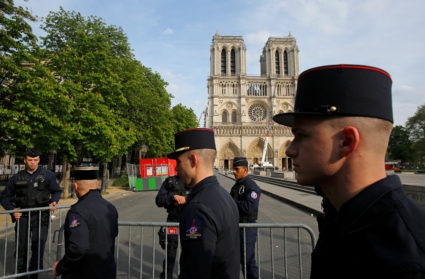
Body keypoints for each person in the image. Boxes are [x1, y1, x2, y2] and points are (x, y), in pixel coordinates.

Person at [273, 64, 425, 278]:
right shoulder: (341, 218)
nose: (289, 150)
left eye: (302, 135)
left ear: (346, 142)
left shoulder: (409, 260)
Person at [167, 128, 240, 279]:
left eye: (179, 162)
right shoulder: (226, 198)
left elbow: (195, 272)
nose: (176, 168)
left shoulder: (197, 208)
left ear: (193, 160)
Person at [0, 148, 62, 278]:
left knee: (38, 247)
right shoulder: (16, 178)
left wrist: (54, 202)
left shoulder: (48, 175)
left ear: (39, 160)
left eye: (35, 160)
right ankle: (21, 275)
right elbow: (4, 197)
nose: (33, 162)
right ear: (25, 160)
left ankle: (34, 275)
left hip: (41, 217)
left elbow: (56, 191)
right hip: (23, 217)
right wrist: (12, 210)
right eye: (30, 160)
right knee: (21, 248)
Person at [52, 166, 118, 278]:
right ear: (96, 184)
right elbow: (113, 234)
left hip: (84, 272)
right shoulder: (110, 207)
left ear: (76, 186)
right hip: (107, 271)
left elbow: (78, 248)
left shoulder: (77, 211)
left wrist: (60, 267)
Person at [230, 157, 261, 279]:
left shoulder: (251, 187)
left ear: (244, 169)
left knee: (248, 262)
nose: (234, 171)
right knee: (235, 260)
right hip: (236, 228)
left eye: (236, 169)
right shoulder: (236, 186)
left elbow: (249, 207)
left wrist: (231, 203)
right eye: (233, 169)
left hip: (247, 229)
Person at [155, 174, 190, 279]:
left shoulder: (194, 180)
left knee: (190, 251)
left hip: (190, 222)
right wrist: (172, 198)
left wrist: (186, 199)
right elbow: (159, 200)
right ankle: (166, 276)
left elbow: (202, 199)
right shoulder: (170, 181)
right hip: (173, 220)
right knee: (171, 251)